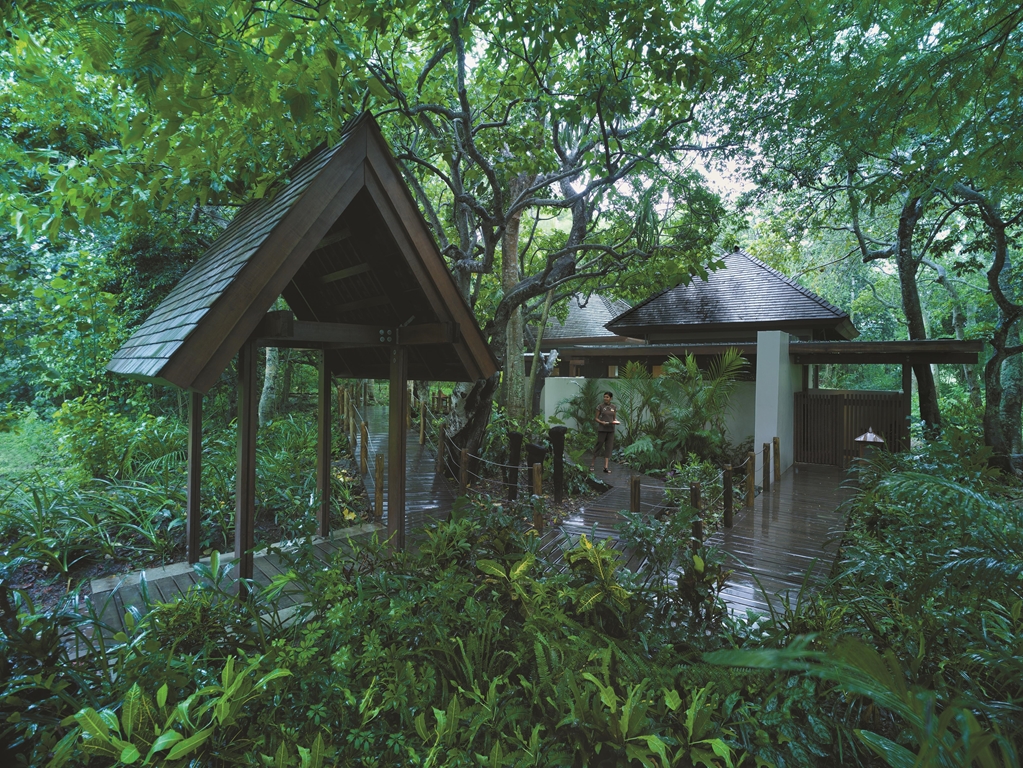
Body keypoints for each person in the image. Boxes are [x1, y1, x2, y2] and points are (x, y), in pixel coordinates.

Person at [590, 391, 618, 474]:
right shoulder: (600, 406)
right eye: (604, 397)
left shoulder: (614, 407)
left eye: (607, 397)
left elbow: (614, 418)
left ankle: (606, 467)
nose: (605, 398)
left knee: (609, 447)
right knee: (599, 445)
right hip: (602, 429)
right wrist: (602, 422)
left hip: (611, 430)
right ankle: (592, 463)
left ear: (611, 398)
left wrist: (616, 421)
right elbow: (596, 418)